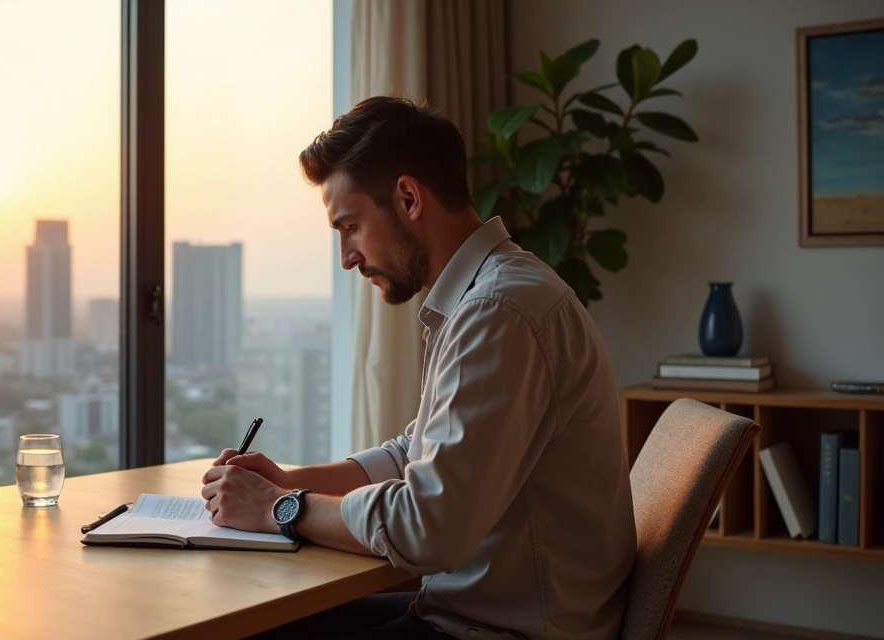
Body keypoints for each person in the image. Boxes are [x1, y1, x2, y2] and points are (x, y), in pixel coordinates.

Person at [200, 95, 637, 640]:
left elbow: (429, 528)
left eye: (351, 226)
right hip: (462, 613)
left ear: (408, 198)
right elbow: (414, 455)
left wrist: (281, 508)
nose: (346, 258)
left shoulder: (499, 312)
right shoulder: (481, 298)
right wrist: (288, 481)